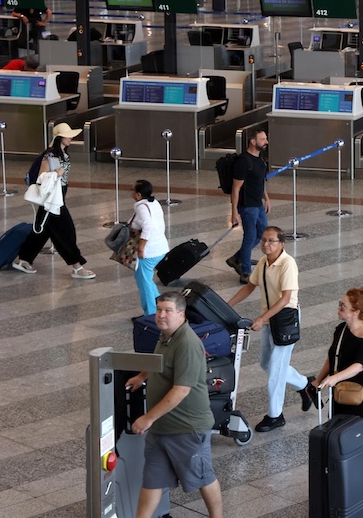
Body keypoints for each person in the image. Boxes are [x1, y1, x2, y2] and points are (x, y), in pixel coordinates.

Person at [125, 292, 224, 518]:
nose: (161, 315)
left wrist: (148, 418)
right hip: (162, 427)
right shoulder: (166, 336)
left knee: (203, 476)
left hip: (186, 427)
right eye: (159, 310)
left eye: (168, 311)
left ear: (181, 314)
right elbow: (161, 362)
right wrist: (142, 376)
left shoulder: (187, 343)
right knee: (153, 479)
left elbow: (181, 390)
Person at [227, 226, 314, 433]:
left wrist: (261, 318)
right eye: (264, 240)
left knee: (275, 370)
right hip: (269, 320)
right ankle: (304, 385)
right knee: (266, 364)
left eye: (271, 241)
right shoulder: (265, 263)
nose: (266, 244)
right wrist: (227, 305)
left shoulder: (288, 263)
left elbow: (285, 298)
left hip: (284, 320)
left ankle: (275, 416)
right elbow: (250, 286)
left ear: (281, 243)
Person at [311, 286, 363, 482]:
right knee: (340, 432)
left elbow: (360, 366)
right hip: (340, 392)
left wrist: (334, 378)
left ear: (356, 312)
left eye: (343, 306)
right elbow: (332, 358)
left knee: (358, 434)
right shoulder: (341, 330)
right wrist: (318, 380)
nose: (339, 308)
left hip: (361, 394)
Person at [11, 123, 95, 279]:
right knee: (66, 232)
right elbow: (42, 177)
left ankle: (23, 259)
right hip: (52, 201)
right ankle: (77, 266)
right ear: (59, 137)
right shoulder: (51, 155)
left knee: (42, 231)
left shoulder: (62, 153)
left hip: (56, 197)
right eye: (67, 135)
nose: (70, 138)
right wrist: (57, 173)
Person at [225, 130, 270, 285]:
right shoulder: (243, 161)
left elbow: (261, 182)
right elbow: (235, 189)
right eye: (263, 139)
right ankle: (245, 271)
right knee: (250, 236)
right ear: (253, 141)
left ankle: (237, 258)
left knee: (262, 234)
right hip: (247, 206)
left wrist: (267, 199)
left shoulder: (260, 159)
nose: (266, 142)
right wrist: (234, 213)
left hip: (258, 204)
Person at [129, 179, 169, 315]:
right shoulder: (153, 203)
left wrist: (141, 248)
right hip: (160, 247)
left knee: (144, 284)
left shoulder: (141, 208)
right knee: (147, 280)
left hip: (149, 251)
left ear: (139, 195)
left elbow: (148, 227)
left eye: (132, 190)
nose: (131, 192)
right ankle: (159, 306)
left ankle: (150, 315)